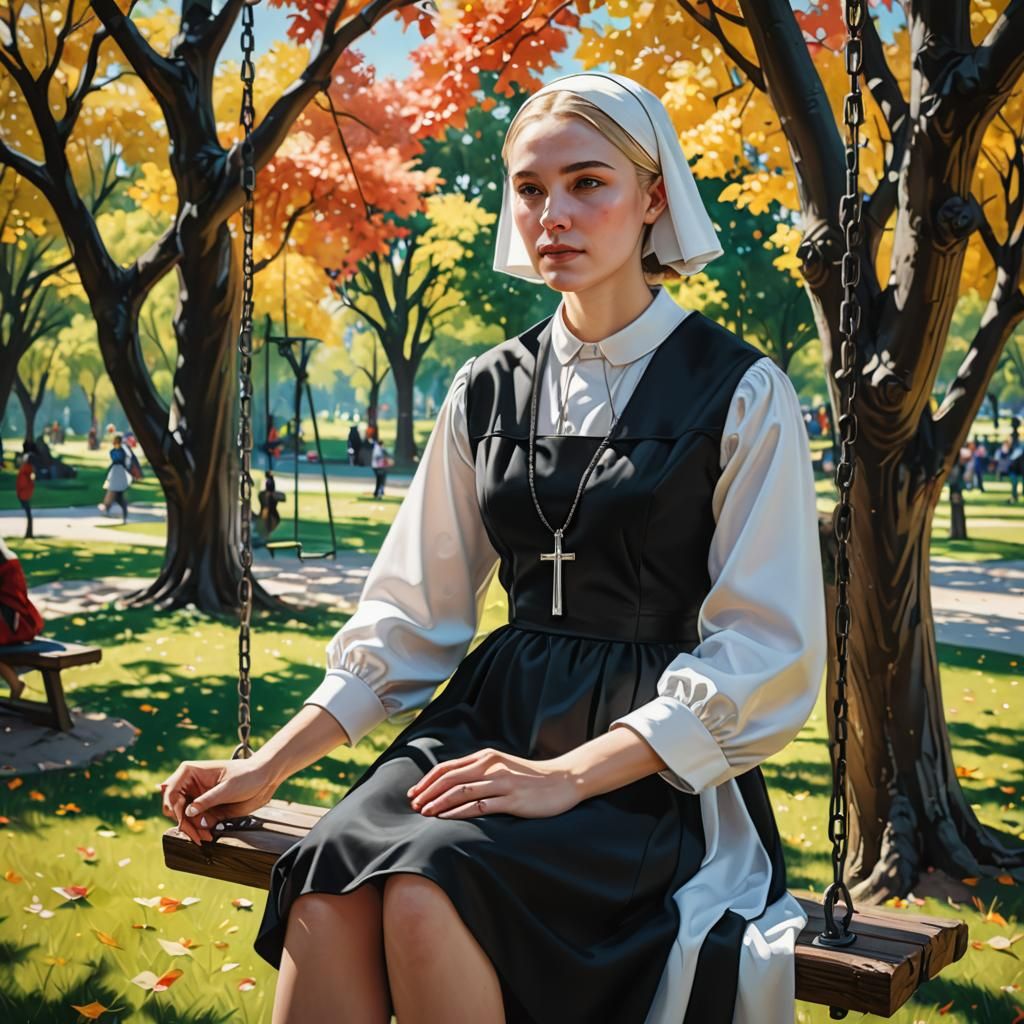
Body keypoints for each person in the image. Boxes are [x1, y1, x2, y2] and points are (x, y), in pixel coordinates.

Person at [159, 72, 826, 1024]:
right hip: (491, 718)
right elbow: (409, 616)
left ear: (654, 198)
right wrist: (267, 765)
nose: (554, 214)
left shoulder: (742, 391)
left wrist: (563, 778)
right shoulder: (485, 386)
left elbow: (765, 648)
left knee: (427, 894)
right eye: (530, 188)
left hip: (643, 766)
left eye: (587, 183)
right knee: (326, 885)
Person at [0, 537, 45, 700]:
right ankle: (15, 683)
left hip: (13, 623)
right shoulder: (7, 560)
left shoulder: (6, 565)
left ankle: (15, 684)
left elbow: (12, 599)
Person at [97, 434, 133, 523]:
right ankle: (109, 510)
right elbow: (115, 461)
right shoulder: (113, 451)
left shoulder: (122, 452)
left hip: (120, 473)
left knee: (118, 495)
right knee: (113, 493)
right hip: (115, 473)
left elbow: (123, 462)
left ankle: (123, 514)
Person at [15, 444, 36, 540]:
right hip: (25, 495)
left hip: (23, 495)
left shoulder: (25, 471)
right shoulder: (27, 471)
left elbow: (22, 485)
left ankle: (29, 533)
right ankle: (29, 533)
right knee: (29, 515)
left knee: (29, 515)